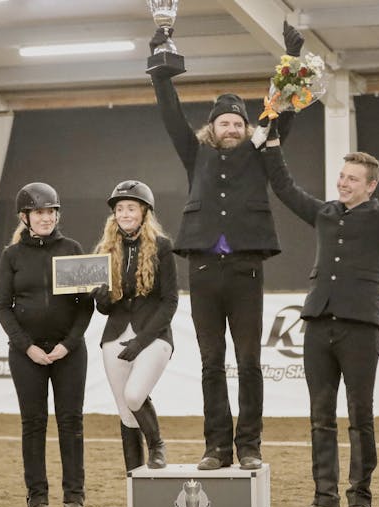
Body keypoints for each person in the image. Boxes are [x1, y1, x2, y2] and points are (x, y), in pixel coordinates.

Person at [261, 115, 379, 507]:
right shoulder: (323, 213)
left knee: (360, 416)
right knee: (320, 418)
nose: (343, 183)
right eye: (342, 176)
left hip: (360, 326)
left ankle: (359, 499)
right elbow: (285, 188)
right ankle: (324, 500)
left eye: (352, 179)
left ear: (370, 185)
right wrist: (271, 145)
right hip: (318, 325)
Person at [148, 21, 304, 471]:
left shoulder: (260, 150)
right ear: (212, 128)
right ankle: (216, 446)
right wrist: (160, 67)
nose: (232, 128)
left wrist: (291, 58)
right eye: (224, 122)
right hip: (201, 268)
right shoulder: (193, 152)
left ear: (245, 126)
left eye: (238, 122)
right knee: (211, 362)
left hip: (246, 268)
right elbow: (170, 113)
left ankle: (249, 445)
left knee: (249, 360)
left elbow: (283, 109)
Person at [0, 182, 94, 507]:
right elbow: (3, 308)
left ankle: (74, 498)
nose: (46, 217)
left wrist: (69, 344)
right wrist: (28, 347)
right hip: (27, 355)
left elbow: (85, 306)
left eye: (51, 211)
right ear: (25, 217)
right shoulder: (11, 256)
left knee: (71, 423)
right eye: (39, 212)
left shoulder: (73, 248)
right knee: (33, 424)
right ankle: (37, 499)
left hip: (70, 353)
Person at [91, 180, 178, 472]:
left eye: (131, 208)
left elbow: (170, 302)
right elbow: (105, 309)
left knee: (134, 395)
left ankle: (157, 446)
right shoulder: (105, 249)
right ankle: (135, 487)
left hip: (153, 336)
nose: (125, 213)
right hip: (114, 335)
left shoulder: (162, 247)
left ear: (144, 212)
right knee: (126, 414)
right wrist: (100, 299)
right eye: (119, 209)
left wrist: (141, 342)